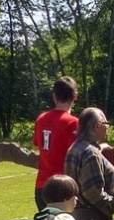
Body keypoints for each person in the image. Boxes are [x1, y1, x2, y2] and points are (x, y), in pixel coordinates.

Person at [32, 77, 80, 210]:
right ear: (75, 96)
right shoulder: (73, 123)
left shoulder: (41, 119)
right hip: (63, 188)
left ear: (54, 96)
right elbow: (79, 151)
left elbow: (37, 143)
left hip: (42, 186)